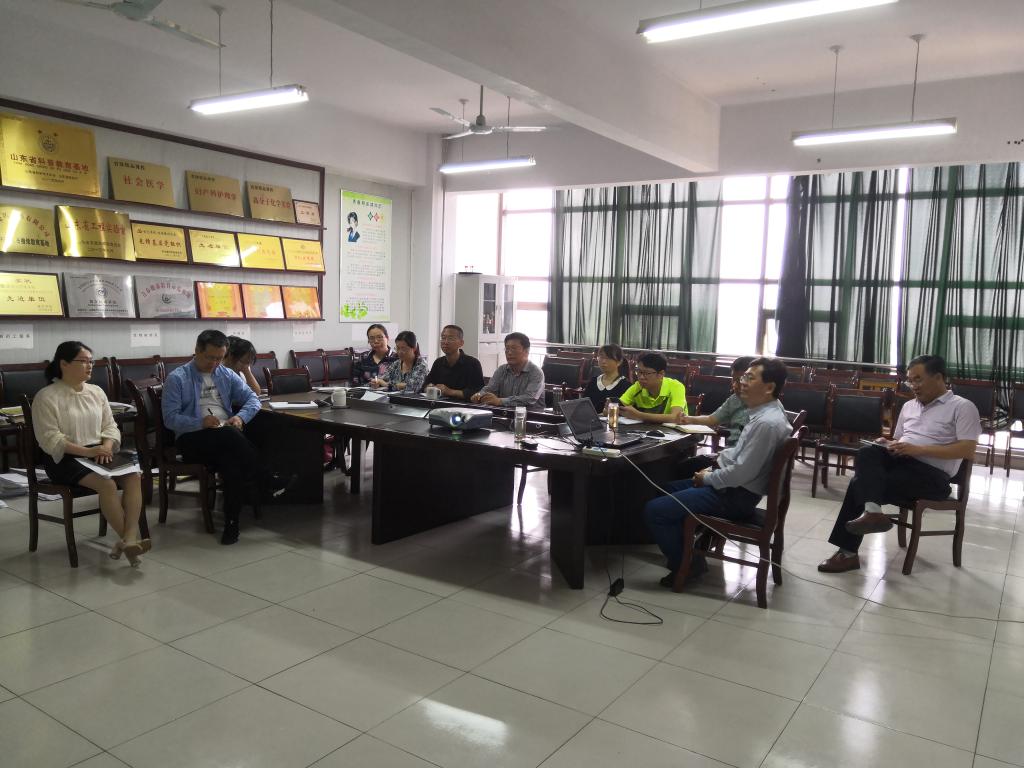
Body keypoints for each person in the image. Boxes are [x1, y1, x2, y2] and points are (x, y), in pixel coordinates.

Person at [817, 355, 980, 573]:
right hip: (902, 465)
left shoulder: (962, 407)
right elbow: (898, 439)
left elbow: (968, 450)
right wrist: (888, 443)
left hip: (933, 477)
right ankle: (872, 513)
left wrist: (918, 450)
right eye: (910, 381)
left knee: (859, 484)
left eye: (918, 379)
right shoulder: (909, 406)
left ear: (939, 378)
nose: (913, 386)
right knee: (868, 452)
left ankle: (848, 552)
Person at [644, 357, 792, 587]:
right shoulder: (764, 413)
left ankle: (688, 566)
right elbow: (739, 457)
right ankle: (687, 551)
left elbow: (741, 473)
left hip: (735, 496)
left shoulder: (766, 423)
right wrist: (714, 466)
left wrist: (708, 478)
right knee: (663, 489)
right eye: (743, 377)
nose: (742, 382)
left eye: (749, 378)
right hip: (734, 487)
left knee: (655, 510)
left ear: (769, 387)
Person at [32, 341, 149, 566]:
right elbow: (50, 439)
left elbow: (110, 426)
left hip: (99, 452)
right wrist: (88, 451)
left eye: (91, 362)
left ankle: (129, 539)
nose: (89, 366)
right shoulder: (46, 396)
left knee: (134, 476)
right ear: (64, 364)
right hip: (65, 458)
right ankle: (131, 546)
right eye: (83, 361)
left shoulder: (96, 391)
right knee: (107, 484)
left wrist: (107, 445)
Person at [161, 329, 263, 545]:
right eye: (210, 357)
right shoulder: (177, 378)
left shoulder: (225, 373)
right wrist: (200, 422)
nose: (214, 363)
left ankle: (232, 524)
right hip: (192, 439)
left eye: (219, 358)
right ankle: (265, 477)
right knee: (230, 435)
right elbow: (170, 419)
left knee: (231, 462)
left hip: (224, 437)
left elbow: (254, 399)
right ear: (197, 350)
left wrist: (241, 418)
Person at [675, 355, 756, 477]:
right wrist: (688, 419)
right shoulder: (735, 399)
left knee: (679, 476)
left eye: (740, 380)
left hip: (738, 465)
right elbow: (712, 419)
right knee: (682, 467)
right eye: (733, 380)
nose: (735, 385)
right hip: (728, 457)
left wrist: (709, 476)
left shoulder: (765, 414)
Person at [470, 332, 545, 408]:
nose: (509, 353)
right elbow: (490, 389)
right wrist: (479, 395)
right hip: (504, 413)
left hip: (531, 414)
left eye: (514, 348)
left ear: (526, 351)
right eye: (507, 348)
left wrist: (500, 401)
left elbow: (529, 398)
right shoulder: (501, 370)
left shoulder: (536, 372)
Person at [619, 352, 688, 424]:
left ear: (661, 374)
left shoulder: (676, 386)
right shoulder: (637, 387)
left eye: (647, 373)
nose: (641, 377)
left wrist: (638, 415)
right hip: (647, 429)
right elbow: (619, 406)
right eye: (639, 372)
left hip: (675, 430)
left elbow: (676, 417)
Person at [424, 324, 484, 400]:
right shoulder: (438, 362)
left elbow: (478, 392)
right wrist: (430, 387)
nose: (445, 342)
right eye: (443, 338)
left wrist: (450, 391)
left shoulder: (473, 363)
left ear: (461, 343)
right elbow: (425, 385)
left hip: (463, 406)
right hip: (439, 404)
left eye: (450, 339)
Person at [582, 344, 630, 413]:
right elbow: (583, 406)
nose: (603, 361)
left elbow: (626, 412)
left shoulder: (625, 385)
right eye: (601, 357)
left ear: (619, 362)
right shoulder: (593, 381)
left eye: (608, 358)